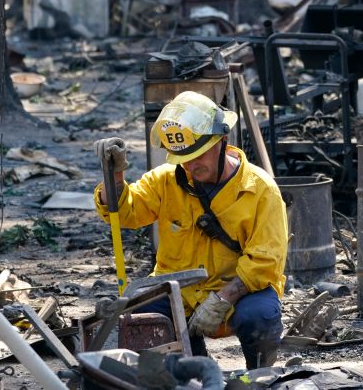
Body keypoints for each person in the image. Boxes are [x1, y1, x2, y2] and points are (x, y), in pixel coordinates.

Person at [93, 91, 287, 368]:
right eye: (183, 157)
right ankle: (193, 370)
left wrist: (222, 298)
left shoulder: (260, 190)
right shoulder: (166, 180)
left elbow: (265, 263)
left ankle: (259, 376)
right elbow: (125, 212)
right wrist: (115, 176)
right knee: (140, 314)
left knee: (260, 316)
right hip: (179, 292)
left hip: (238, 292)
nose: (192, 165)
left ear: (222, 140)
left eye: (199, 155)